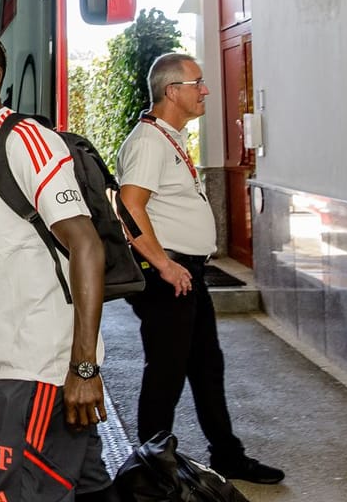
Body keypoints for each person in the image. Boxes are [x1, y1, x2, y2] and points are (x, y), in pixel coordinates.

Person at [0, 30, 114, 501]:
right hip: (18, 360)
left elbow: (86, 246)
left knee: (11, 492)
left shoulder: (24, 140)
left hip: (41, 365)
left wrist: (84, 368)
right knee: (85, 488)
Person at [116, 53, 283, 485]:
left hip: (186, 274)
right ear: (173, 91)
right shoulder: (147, 142)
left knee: (207, 367)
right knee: (166, 375)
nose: (205, 90)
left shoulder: (167, 136)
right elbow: (129, 208)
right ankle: (148, 472)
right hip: (167, 276)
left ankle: (227, 454)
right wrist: (165, 265)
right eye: (198, 82)